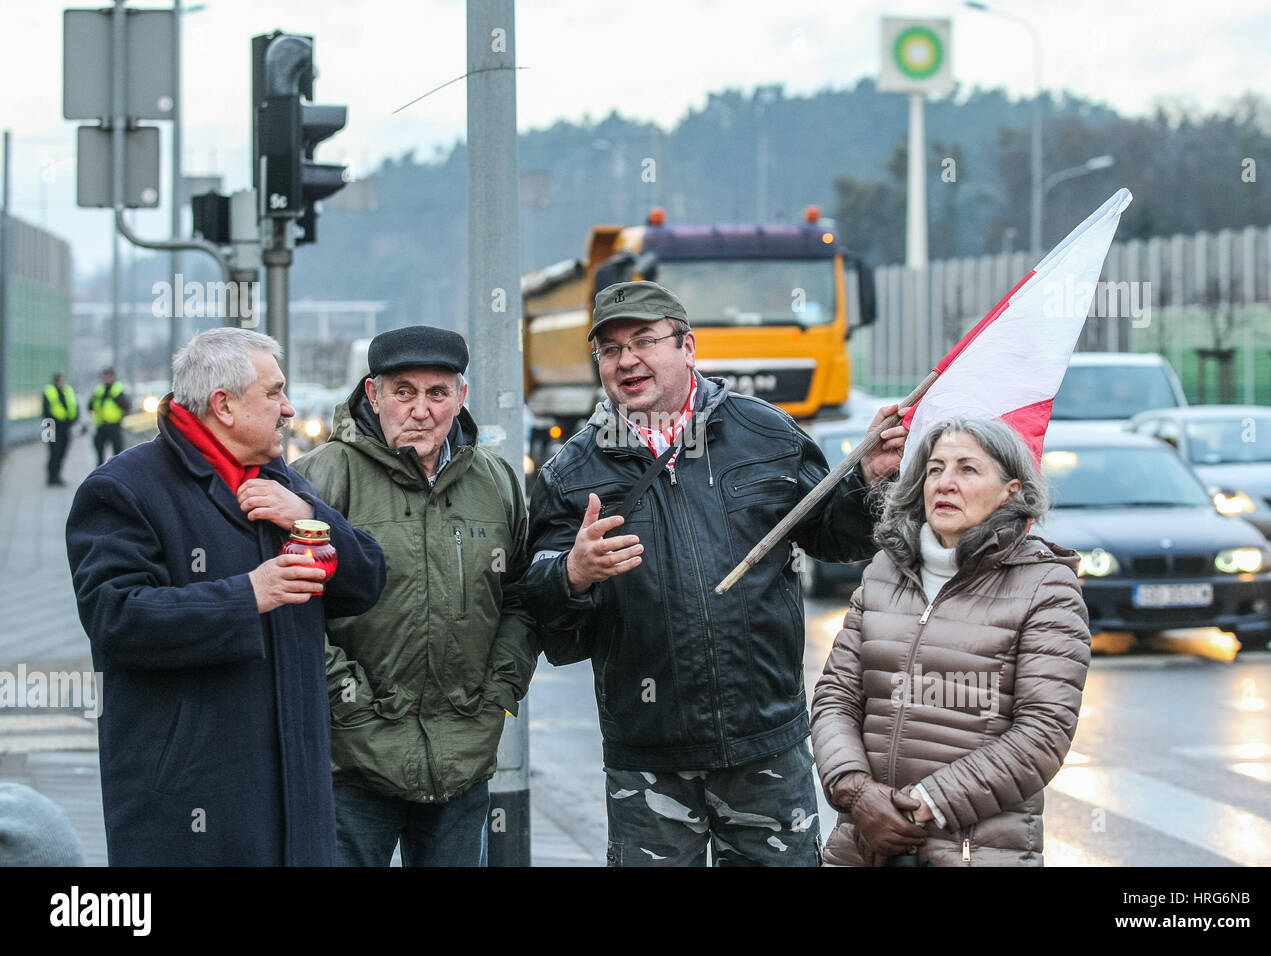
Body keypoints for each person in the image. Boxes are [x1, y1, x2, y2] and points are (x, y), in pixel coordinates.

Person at [519, 280, 906, 867]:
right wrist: (572, 573)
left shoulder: (766, 433)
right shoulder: (571, 472)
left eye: (644, 340)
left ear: (688, 347)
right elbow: (538, 598)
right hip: (646, 755)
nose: (627, 360)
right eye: (610, 349)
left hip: (766, 743)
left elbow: (833, 535)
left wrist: (868, 481)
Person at [65, 328, 387, 866]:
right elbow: (115, 616)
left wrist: (311, 518)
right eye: (274, 392)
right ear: (225, 405)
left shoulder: (282, 482)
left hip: (297, 797)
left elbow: (366, 582)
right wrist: (247, 595)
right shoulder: (123, 488)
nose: (288, 408)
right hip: (191, 805)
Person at [294, 326, 537, 867]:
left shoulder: (496, 481)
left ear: (461, 398)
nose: (421, 410)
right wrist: (344, 700)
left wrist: (500, 686)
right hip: (352, 763)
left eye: (437, 393)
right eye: (403, 391)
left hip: (462, 757)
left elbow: (520, 597)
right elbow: (292, 611)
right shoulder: (319, 480)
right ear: (373, 394)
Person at [810, 417, 1091, 867]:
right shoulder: (884, 572)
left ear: (1012, 490)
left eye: (968, 470)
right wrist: (858, 793)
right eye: (935, 469)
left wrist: (923, 805)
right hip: (863, 843)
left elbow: (1043, 732)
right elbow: (836, 698)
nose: (946, 483)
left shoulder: (1046, 586)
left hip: (971, 852)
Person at [42, 372, 78, 486]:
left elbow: (75, 407)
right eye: (60, 381)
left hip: (65, 427)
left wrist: (71, 420)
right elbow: (46, 411)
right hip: (51, 426)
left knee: (62, 451)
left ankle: (57, 475)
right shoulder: (49, 391)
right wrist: (60, 421)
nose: (61, 383)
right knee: (54, 452)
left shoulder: (68, 391)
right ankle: (52, 477)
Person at [90, 367, 130, 466]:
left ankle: (117, 469)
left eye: (109, 377)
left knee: (117, 451)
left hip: (114, 425)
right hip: (101, 424)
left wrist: (114, 398)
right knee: (98, 447)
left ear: (113, 377)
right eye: (105, 377)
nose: (107, 379)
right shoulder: (99, 390)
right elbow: (90, 405)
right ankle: (99, 468)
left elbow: (126, 405)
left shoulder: (118, 390)